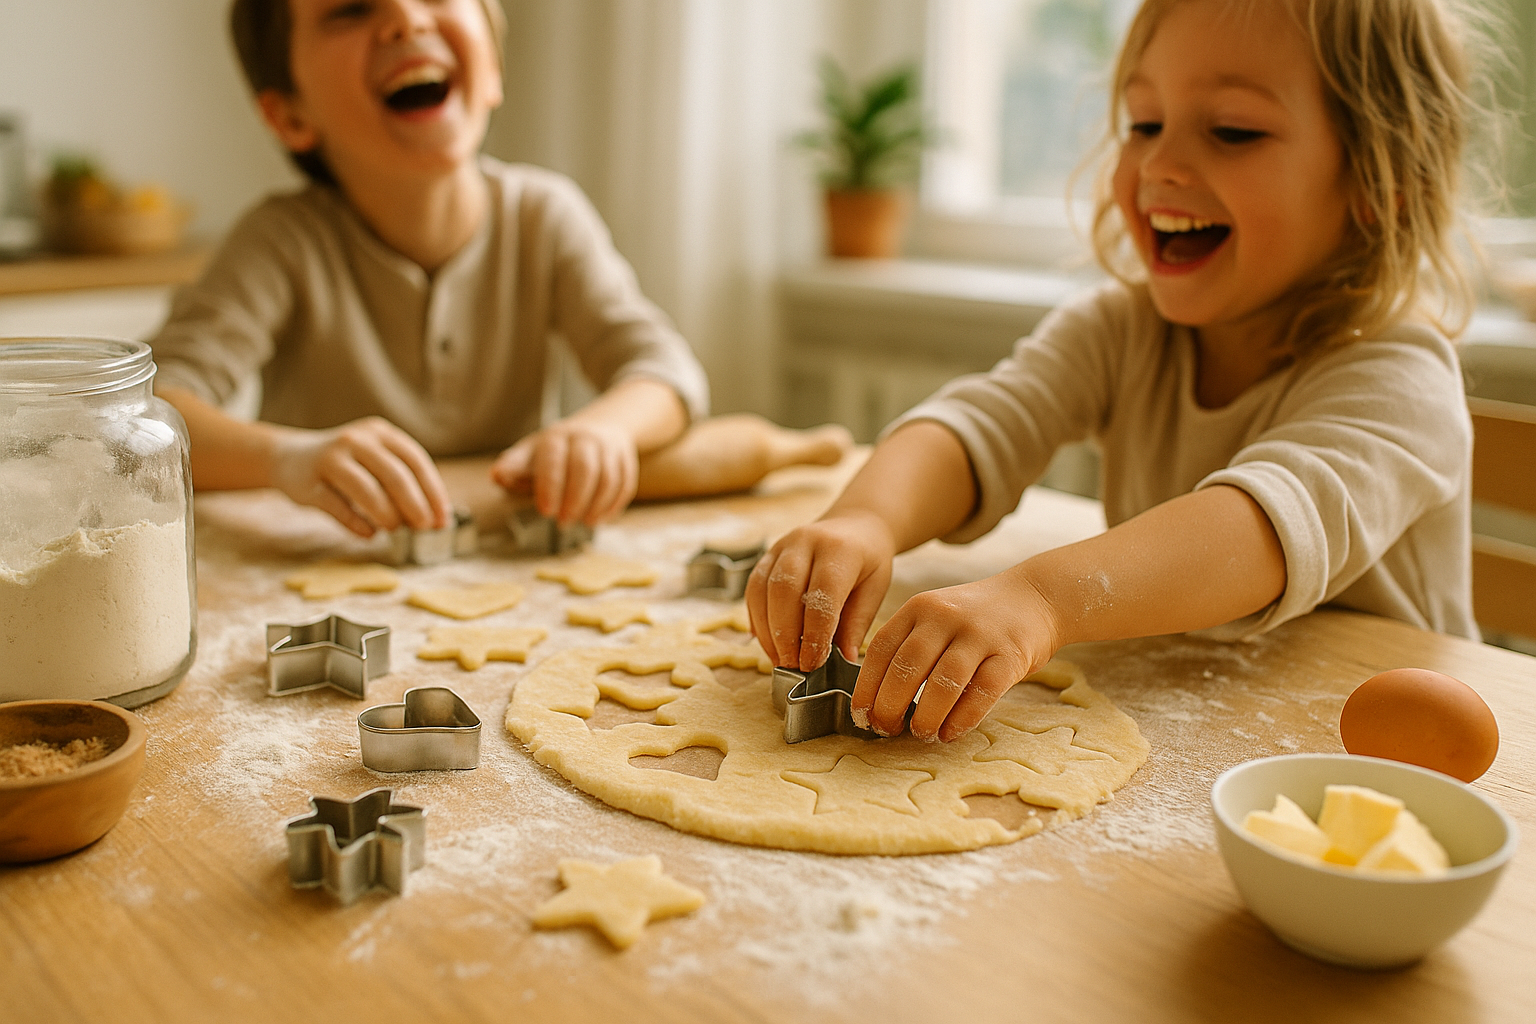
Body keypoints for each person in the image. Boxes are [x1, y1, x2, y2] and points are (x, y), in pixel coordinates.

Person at [748, 0, 1489, 743]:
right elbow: (986, 424)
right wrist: (867, 518)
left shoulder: (1401, 378)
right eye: (1143, 123)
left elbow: (1262, 526)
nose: (1160, 164)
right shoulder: (1123, 329)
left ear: (1379, 179)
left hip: (1374, 766)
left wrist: (1041, 599)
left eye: (1233, 130)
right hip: (1201, 734)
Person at [149, 0, 710, 537]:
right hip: (325, 567)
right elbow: (149, 414)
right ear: (290, 115)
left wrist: (603, 429)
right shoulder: (280, 243)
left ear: (491, 65)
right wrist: (286, 460)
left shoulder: (543, 217)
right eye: (351, 9)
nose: (406, 18)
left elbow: (663, 369)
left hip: (509, 565)